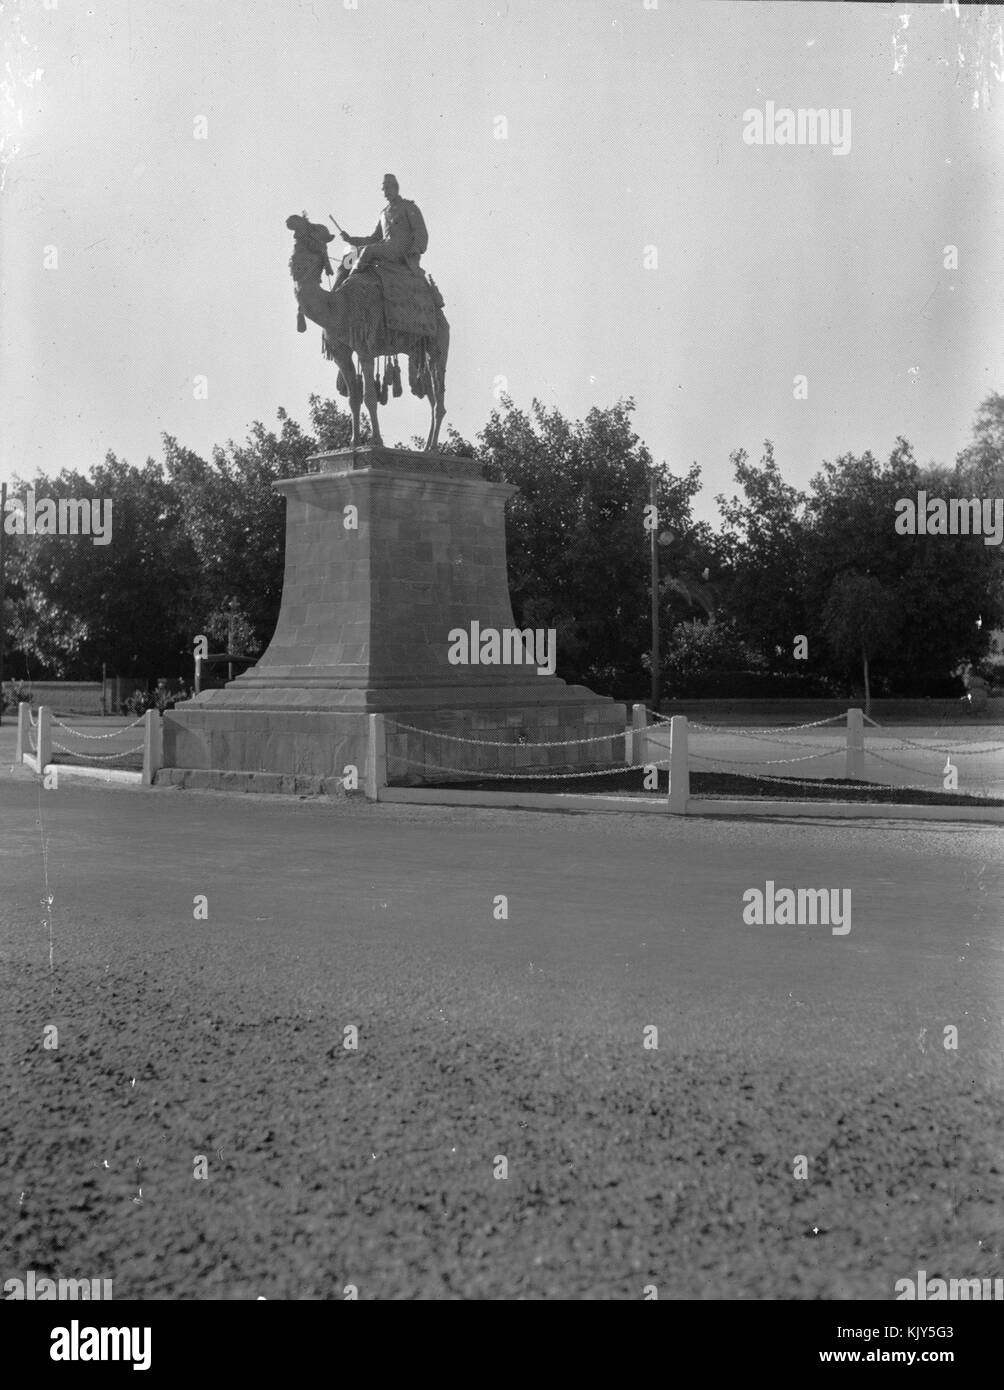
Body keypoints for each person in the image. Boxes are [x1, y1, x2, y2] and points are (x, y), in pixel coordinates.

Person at [338, 174, 428, 284]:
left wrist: (415, 250)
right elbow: (374, 238)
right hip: (385, 247)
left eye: (388, 188)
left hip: (400, 249)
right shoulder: (383, 213)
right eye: (383, 189)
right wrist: (351, 239)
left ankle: (349, 283)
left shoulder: (408, 207)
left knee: (368, 251)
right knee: (350, 256)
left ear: (396, 188)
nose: (385, 192)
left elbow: (420, 231)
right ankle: (336, 290)